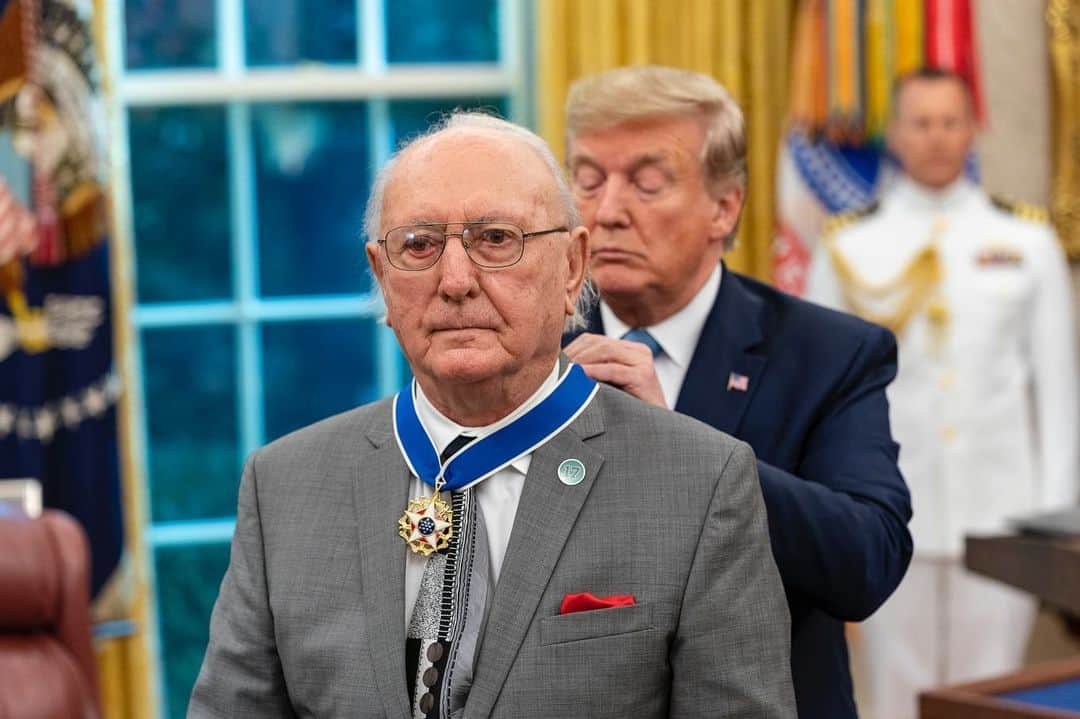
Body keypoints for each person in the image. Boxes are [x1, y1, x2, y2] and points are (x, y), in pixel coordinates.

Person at [189, 112, 797, 718]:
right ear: (381, 275)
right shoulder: (285, 487)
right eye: (419, 245)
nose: (455, 281)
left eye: (496, 240)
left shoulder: (699, 482)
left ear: (572, 268)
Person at [561, 65, 912, 719]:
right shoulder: (529, 353)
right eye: (586, 180)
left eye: (646, 182)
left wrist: (682, 446)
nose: (606, 211)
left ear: (723, 208)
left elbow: (868, 559)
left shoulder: (829, 353)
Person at [807, 67, 1080, 719]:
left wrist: (1051, 515)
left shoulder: (1025, 241)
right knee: (897, 693)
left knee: (993, 692)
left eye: (951, 121)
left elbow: (1057, 388)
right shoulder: (850, 243)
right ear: (895, 135)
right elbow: (819, 389)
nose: (936, 137)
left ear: (974, 130)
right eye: (921, 122)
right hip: (886, 505)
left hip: (1001, 511)